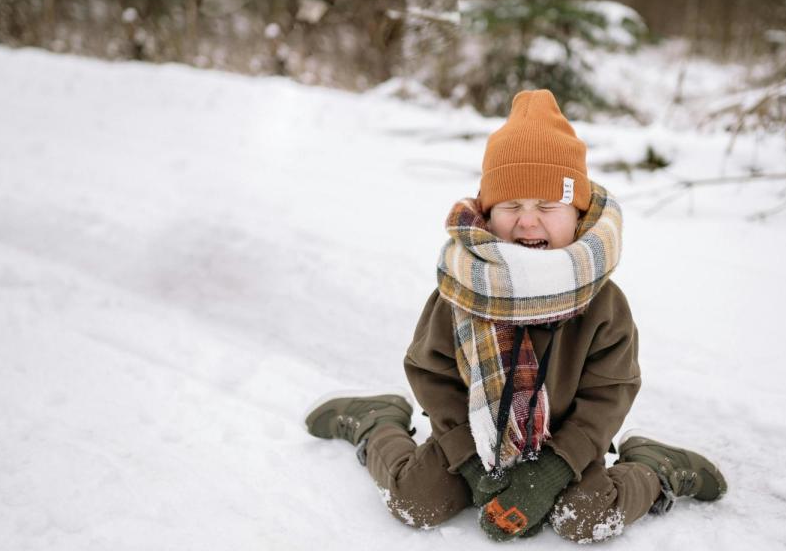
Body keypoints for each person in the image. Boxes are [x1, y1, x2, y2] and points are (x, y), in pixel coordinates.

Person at [304, 89, 726, 543]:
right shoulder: (463, 286)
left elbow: (610, 390)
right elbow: (432, 373)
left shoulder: (603, 302)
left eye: (547, 207)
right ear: (487, 213)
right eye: (511, 207)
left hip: (567, 444)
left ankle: (656, 468)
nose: (528, 223)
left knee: (584, 518)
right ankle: (375, 423)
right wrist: (465, 458)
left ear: (577, 212)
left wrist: (556, 468)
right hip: (473, 435)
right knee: (416, 501)